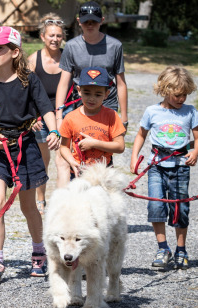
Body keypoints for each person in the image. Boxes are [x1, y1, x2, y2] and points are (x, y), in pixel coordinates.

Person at [0, 26, 59, 283]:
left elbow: (46, 108)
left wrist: (54, 130)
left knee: (28, 206)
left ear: (15, 52)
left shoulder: (29, 81)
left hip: (25, 147)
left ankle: (39, 253)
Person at [130, 66, 198, 270]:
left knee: (180, 208)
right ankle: (163, 248)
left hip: (180, 167)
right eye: (178, 95)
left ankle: (181, 250)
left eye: (185, 95)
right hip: (156, 166)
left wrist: (195, 153)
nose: (182, 99)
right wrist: (134, 157)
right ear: (164, 90)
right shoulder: (152, 111)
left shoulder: (190, 112)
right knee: (155, 205)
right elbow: (141, 135)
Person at [55, 0, 128, 187]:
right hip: (80, 103)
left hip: (107, 103)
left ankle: (103, 184)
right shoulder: (71, 46)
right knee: (79, 150)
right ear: (79, 21)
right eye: (86, 21)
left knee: (102, 148)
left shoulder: (115, 46)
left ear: (101, 21)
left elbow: (120, 82)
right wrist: (58, 113)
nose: (90, 25)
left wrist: (124, 117)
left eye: (94, 21)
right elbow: (64, 81)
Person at [28, 13, 73, 214]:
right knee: (43, 159)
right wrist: (33, 118)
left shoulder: (68, 58)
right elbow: (28, 93)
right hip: (41, 116)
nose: (55, 39)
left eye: (59, 36)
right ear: (42, 37)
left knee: (62, 159)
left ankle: (62, 202)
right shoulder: (33, 60)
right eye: (51, 35)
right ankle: (40, 198)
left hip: (66, 112)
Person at [59, 66, 126, 177]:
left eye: (98, 94)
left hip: (104, 173)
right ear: (79, 91)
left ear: (106, 94)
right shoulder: (70, 117)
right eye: (87, 93)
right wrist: (71, 162)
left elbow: (120, 147)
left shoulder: (111, 116)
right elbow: (64, 147)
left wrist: (95, 143)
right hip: (79, 173)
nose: (92, 98)